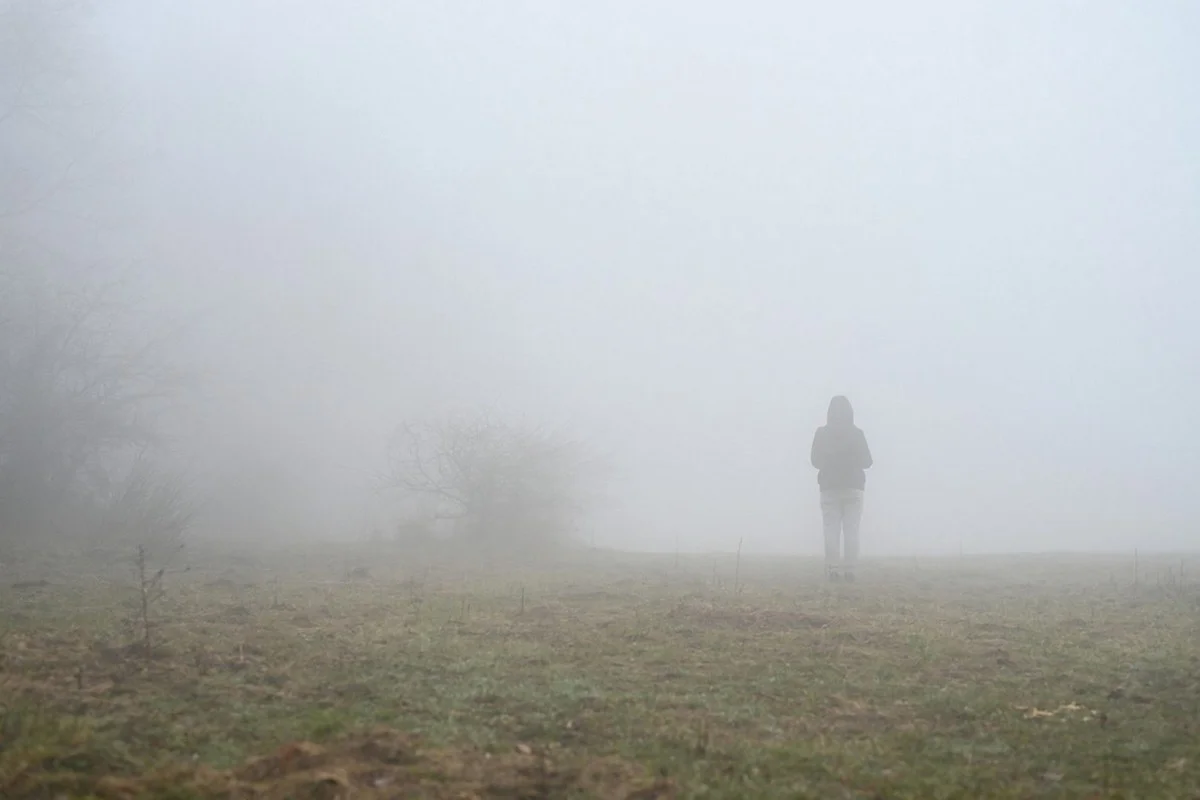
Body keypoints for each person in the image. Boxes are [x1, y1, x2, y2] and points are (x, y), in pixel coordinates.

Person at [810, 395, 873, 582]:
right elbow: (868, 462)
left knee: (831, 529)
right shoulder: (857, 434)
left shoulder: (821, 433)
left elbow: (814, 461)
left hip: (829, 487)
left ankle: (832, 570)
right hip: (854, 487)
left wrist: (829, 463)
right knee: (852, 530)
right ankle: (850, 570)